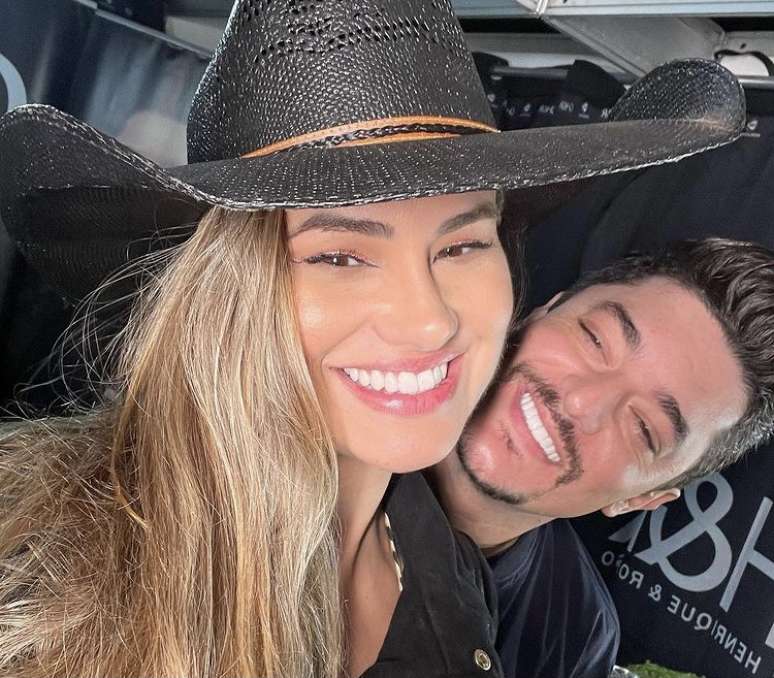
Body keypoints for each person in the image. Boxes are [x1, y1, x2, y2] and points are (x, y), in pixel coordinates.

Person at [0, 0, 747, 675]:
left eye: (462, 245)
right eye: (339, 255)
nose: (430, 322)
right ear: (219, 296)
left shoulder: (458, 583)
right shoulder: (35, 568)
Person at [432, 237, 774, 678]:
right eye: (595, 340)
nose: (580, 402)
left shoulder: (573, 643)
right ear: (545, 310)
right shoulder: (346, 423)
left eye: (644, 428)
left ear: (642, 498)